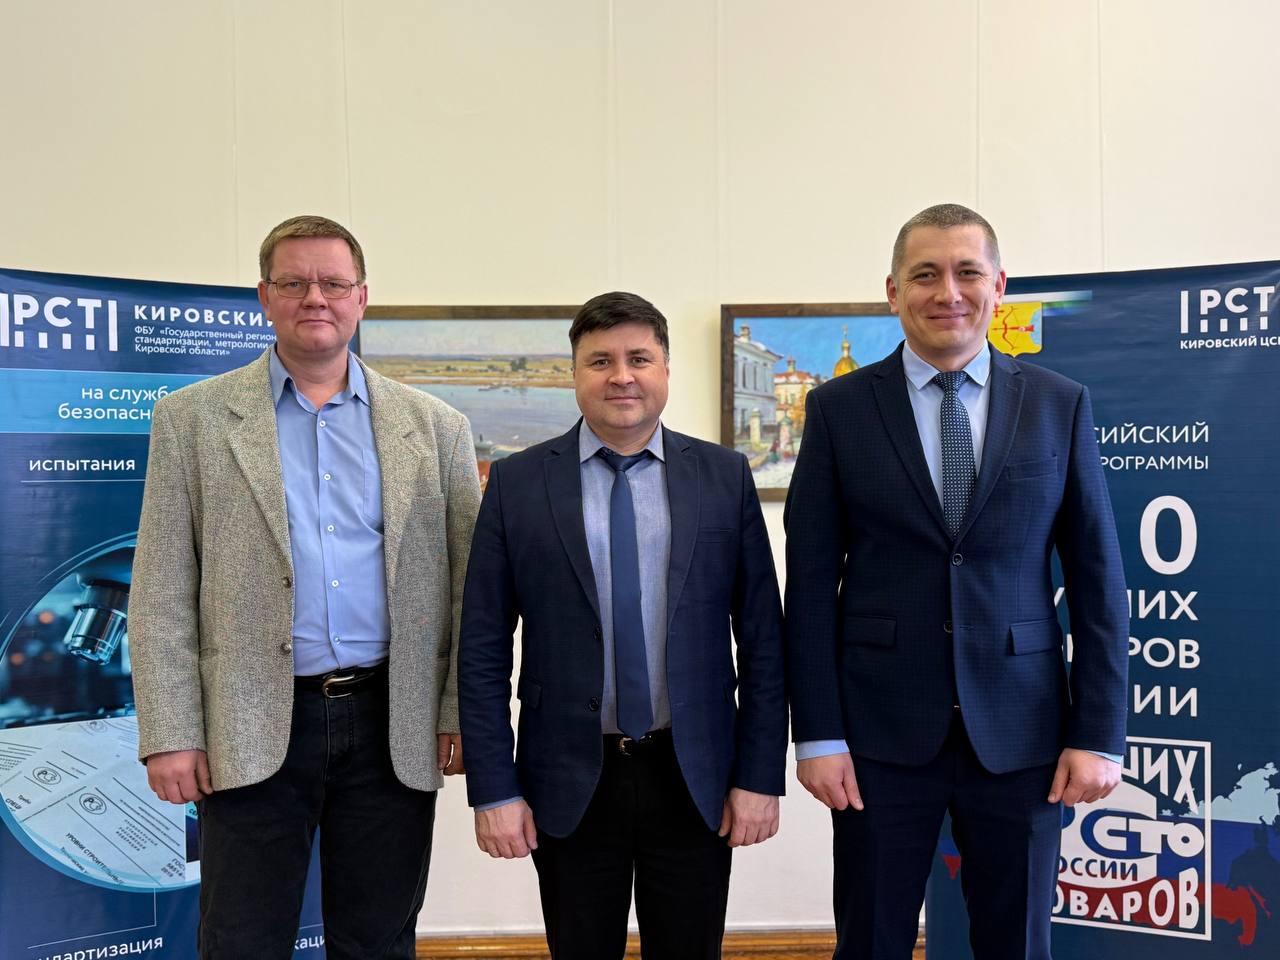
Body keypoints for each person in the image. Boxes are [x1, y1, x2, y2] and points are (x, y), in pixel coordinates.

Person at [130, 214, 481, 959]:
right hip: (247, 720)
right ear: (265, 297)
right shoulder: (191, 421)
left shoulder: (437, 427)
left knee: (378, 941)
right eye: (294, 283)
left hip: (392, 721)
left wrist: (457, 711)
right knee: (241, 941)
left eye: (333, 283)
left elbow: (467, 591)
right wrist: (171, 732)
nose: (314, 298)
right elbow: (161, 590)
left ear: (361, 297)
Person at [784, 204, 1128, 959]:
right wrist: (818, 732)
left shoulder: (1059, 403)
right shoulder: (838, 409)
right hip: (876, 736)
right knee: (871, 942)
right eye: (925, 274)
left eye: (968, 272)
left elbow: (1099, 579)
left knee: (1018, 945)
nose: (949, 292)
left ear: (998, 287)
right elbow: (807, 587)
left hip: (1024, 733)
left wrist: (1100, 732)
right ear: (893, 291)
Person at [458, 291, 787, 960]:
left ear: (665, 369)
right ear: (575, 373)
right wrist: (493, 789)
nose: (621, 376)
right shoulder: (518, 483)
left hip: (694, 775)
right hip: (568, 777)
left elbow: (762, 639)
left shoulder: (723, 476)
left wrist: (759, 775)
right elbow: (483, 646)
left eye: (639, 358)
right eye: (600, 360)